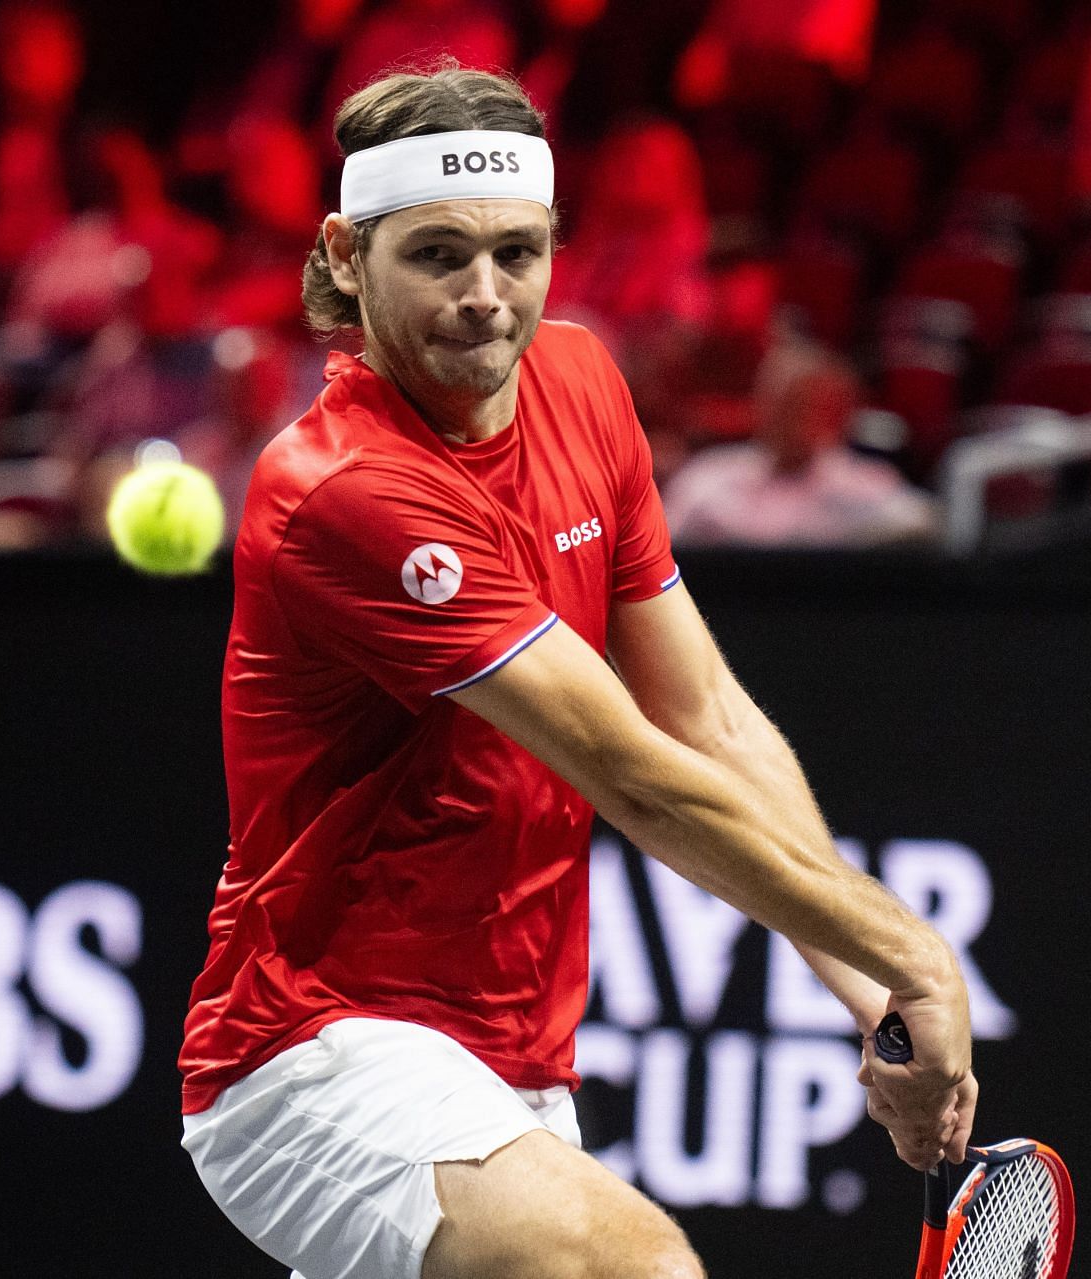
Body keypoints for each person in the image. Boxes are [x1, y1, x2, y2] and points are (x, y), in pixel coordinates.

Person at [178, 65, 977, 1279]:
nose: (485, 299)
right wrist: (917, 956)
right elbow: (630, 771)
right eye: (438, 255)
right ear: (346, 254)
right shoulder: (342, 489)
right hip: (314, 1048)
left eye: (518, 252)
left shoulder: (585, 384)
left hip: (519, 1067)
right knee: (632, 1267)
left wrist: (871, 994)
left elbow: (705, 716)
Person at [662, 343, 939, 547]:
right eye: (778, 402)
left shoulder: (858, 485)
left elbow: (924, 524)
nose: (788, 418)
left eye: (803, 405)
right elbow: (657, 558)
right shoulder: (708, 475)